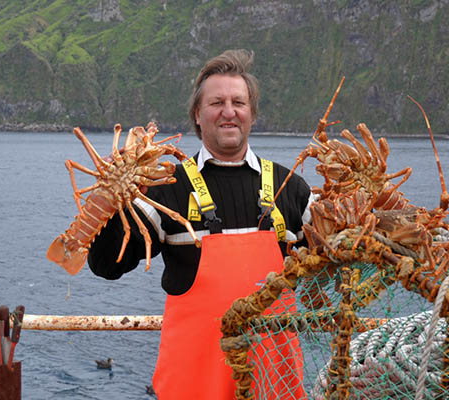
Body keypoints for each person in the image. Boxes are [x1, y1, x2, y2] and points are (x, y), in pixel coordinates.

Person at [87, 49, 312, 399]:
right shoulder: (163, 189)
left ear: (252, 113)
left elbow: (345, 250)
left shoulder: (293, 188)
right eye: (216, 102)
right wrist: (110, 201)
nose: (228, 111)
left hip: (275, 386)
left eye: (238, 102)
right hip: (193, 387)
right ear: (197, 114)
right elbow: (107, 265)